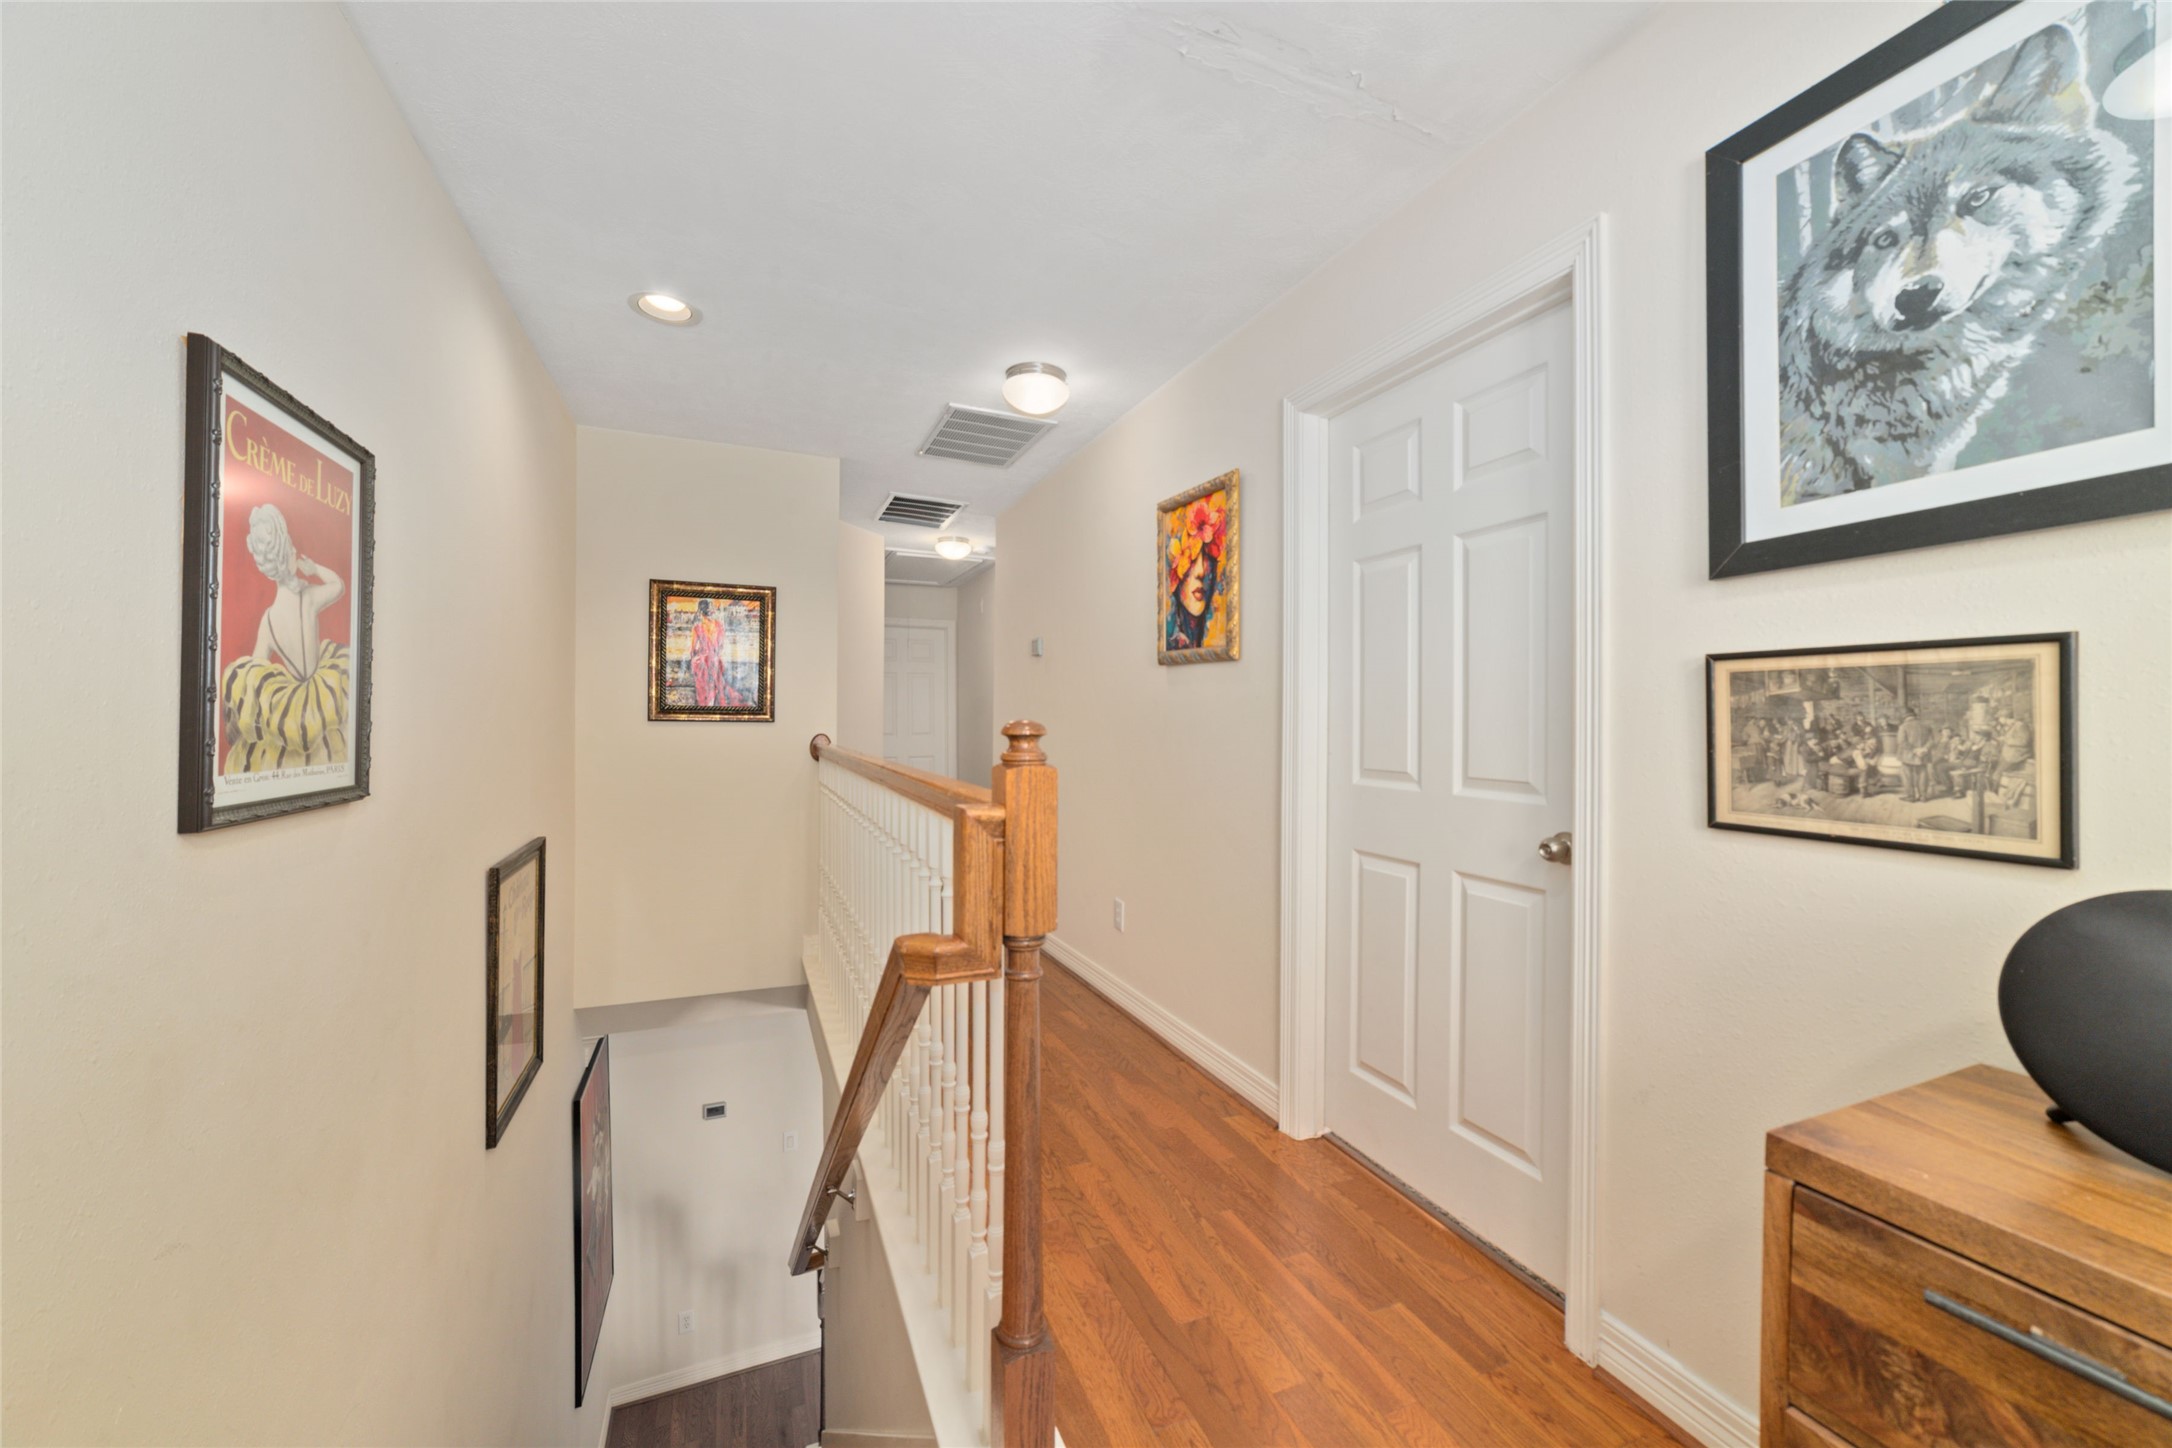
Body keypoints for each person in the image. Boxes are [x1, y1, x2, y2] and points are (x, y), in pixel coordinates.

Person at [219, 504, 350, 775]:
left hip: (292, 711)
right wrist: (313, 569)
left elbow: (256, 671)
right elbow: (338, 586)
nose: (295, 551)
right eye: (290, 548)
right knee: (330, 752)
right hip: (321, 696)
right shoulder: (308, 598)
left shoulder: (268, 619)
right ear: (285, 556)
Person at [1897, 708, 1933, 803]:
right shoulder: (1926, 725)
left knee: (1907, 776)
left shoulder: (1903, 726)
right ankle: (1923, 796)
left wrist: (1915, 750)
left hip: (1908, 756)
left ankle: (1911, 796)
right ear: (1914, 715)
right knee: (1923, 774)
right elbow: (1931, 741)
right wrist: (1924, 749)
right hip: (1923, 754)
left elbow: (1902, 742)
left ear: (1904, 717)